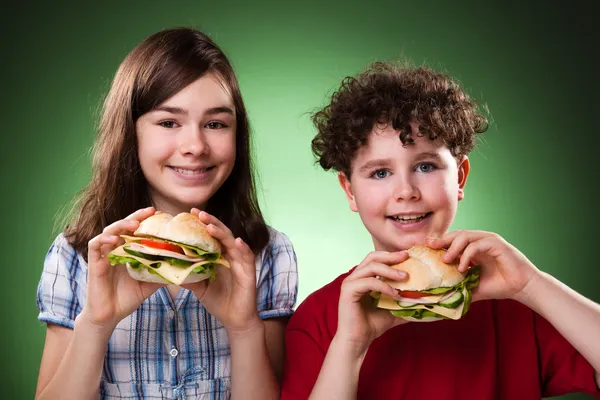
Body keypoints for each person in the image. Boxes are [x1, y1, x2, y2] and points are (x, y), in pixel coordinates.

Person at [281, 61, 600, 399]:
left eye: (425, 166)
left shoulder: (515, 302)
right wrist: (350, 345)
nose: (406, 191)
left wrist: (532, 285)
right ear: (349, 190)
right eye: (379, 173)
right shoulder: (319, 320)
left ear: (460, 177)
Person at [35, 27, 298, 400]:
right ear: (131, 133)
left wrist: (243, 330)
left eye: (215, 124)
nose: (195, 146)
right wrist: (97, 323)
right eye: (168, 122)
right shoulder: (77, 255)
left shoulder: (267, 253)